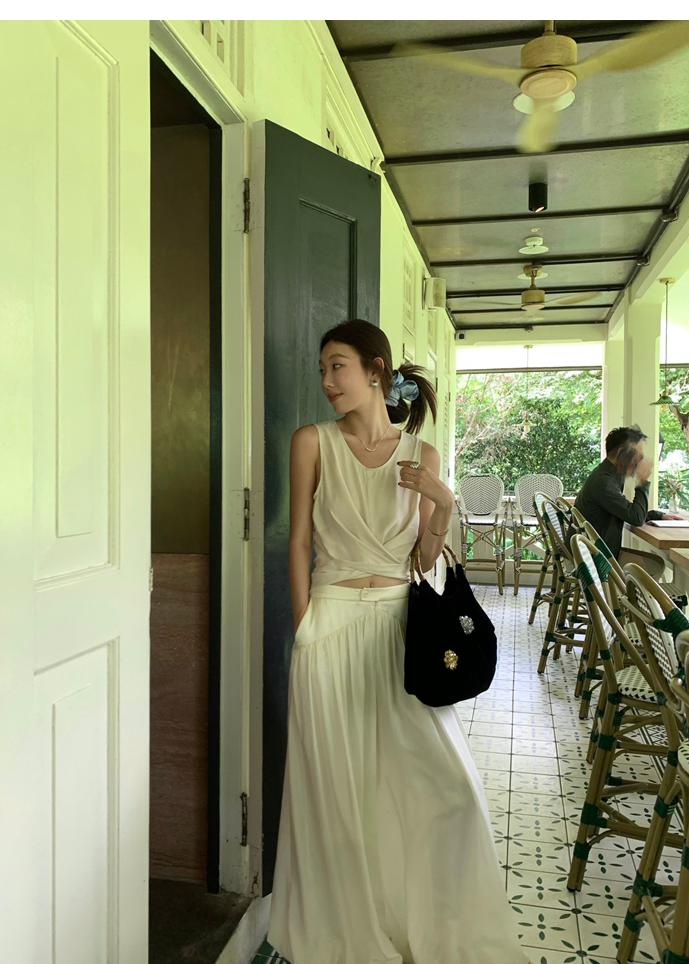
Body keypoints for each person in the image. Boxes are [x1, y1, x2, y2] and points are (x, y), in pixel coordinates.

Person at [267, 319, 530, 964]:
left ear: (376, 370)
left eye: (338, 366)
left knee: (444, 786)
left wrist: (443, 503)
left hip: (396, 631)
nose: (327, 381)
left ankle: (428, 918)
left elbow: (424, 559)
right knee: (337, 790)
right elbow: (297, 539)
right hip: (328, 627)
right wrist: (304, 627)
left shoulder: (422, 455)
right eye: (323, 369)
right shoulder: (311, 442)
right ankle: (351, 925)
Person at [573, 425, 680, 578]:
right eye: (637, 456)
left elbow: (624, 511)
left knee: (655, 563)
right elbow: (635, 517)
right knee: (654, 566)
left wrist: (658, 515)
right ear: (620, 452)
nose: (639, 462)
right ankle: (618, 594)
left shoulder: (609, 475)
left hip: (594, 550)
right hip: (592, 558)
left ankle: (622, 593)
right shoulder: (604, 482)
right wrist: (642, 483)